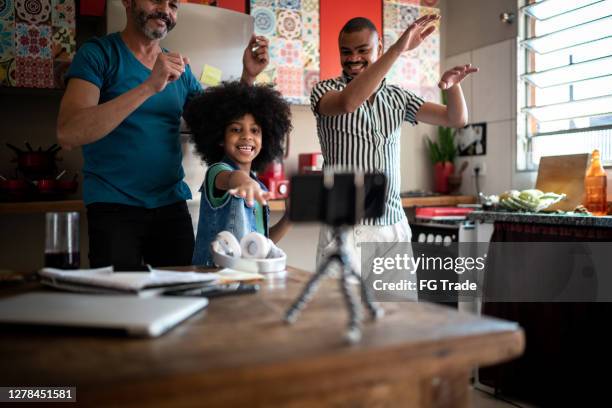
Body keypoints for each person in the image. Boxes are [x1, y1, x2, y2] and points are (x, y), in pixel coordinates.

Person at [56, 0, 269, 268]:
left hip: (171, 206)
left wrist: (247, 77)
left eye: (173, 5)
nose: (166, 11)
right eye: (157, 0)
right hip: (113, 207)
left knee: (183, 299)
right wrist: (149, 86)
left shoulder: (179, 69)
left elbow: (222, 128)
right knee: (118, 306)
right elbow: (68, 131)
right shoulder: (98, 54)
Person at [310, 16, 478, 277]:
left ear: (379, 47)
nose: (353, 58)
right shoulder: (324, 91)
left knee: (399, 314)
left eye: (363, 50)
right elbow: (349, 103)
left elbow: (455, 119)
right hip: (346, 227)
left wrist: (452, 87)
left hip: (392, 226)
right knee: (340, 314)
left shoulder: (398, 97)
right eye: (346, 52)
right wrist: (398, 49)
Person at [183, 81, 292, 266]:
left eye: (255, 130)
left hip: (246, 279)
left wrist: (290, 217)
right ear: (220, 138)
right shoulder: (217, 173)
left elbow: (258, 246)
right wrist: (245, 182)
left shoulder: (259, 186)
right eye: (236, 129)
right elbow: (233, 179)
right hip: (213, 279)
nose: (247, 136)